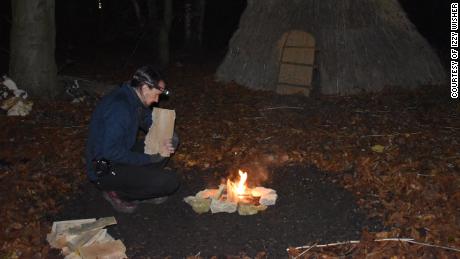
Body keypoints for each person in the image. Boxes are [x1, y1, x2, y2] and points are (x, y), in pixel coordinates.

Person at [85, 65, 180, 213]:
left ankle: (144, 185)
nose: (156, 100)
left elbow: (146, 119)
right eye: (156, 94)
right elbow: (110, 152)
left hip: (121, 153)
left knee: (170, 142)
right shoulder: (119, 108)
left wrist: (164, 134)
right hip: (104, 168)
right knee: (170, 182)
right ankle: (117, 193)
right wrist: (150, 159)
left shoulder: (134, 97)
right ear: (144, 87)